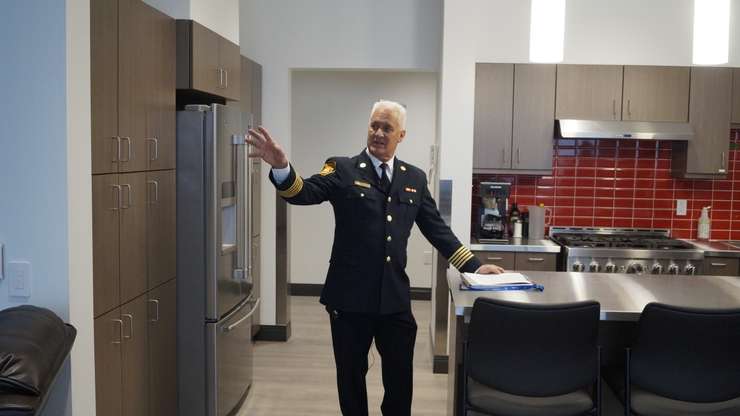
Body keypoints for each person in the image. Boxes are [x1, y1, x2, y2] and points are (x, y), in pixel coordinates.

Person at [246, 99, 504, 416]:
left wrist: (476, 267)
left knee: (399, 383)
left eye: (387, 128)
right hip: (348, 300)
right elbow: (304, 192)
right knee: (351, 382)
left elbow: (437, 230)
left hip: (394, 299)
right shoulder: (341, 168)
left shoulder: (415, 178)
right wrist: (282, 168)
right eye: (374, 125)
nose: (379, 133)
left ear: (401, 135)